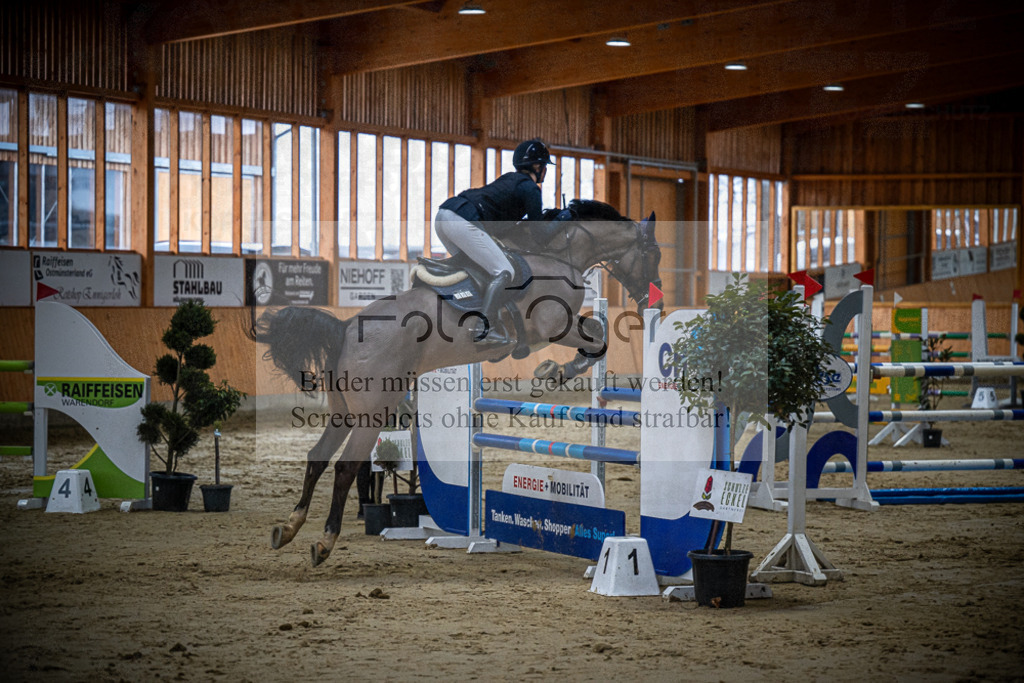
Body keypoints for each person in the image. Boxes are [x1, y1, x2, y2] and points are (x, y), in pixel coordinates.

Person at [433, 138, 555, 344]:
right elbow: (540, 233)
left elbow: (505, 225)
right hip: (462, 220)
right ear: (537, 166)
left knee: (477, 271)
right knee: (504, 271)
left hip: (443, 216)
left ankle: (469, 318)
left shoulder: (509, 179)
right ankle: (484, 329)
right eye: (543, 166)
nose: (544, 170)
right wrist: (560, 221)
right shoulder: (531, 189)